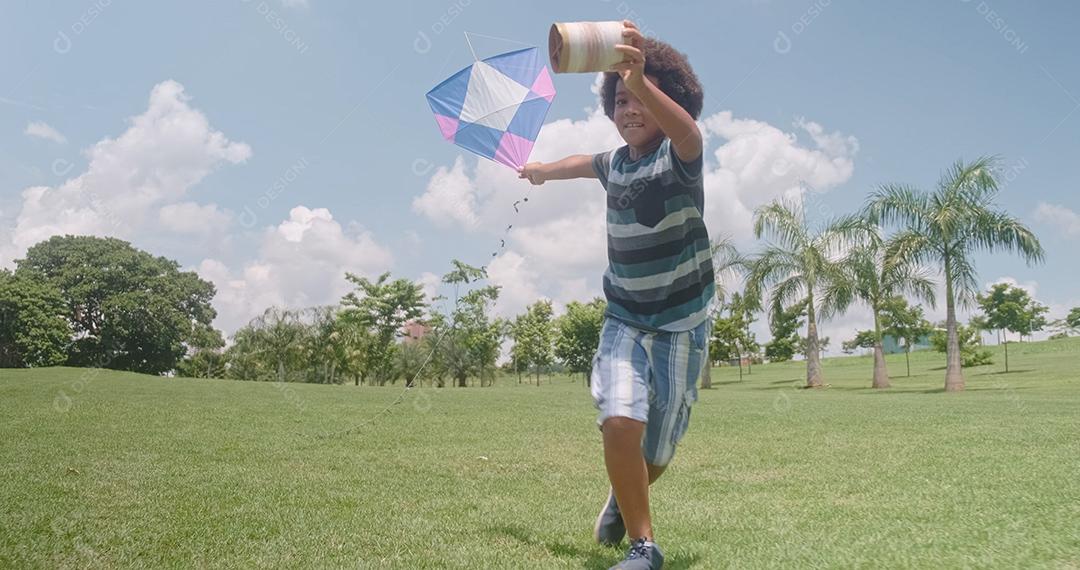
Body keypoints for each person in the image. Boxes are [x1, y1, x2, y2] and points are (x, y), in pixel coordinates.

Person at [518, 20, 712, 570]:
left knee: (658, 451)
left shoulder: (679, 157)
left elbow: (690, 135)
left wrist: (640, 74)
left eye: (643, 98)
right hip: (624, 317)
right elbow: (580, 162)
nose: (630, 108)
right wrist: (540, 173)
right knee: (620, 418)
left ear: (668, 101)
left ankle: (621, 503)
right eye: (621, 99)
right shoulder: (616, 163)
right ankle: (643, 545)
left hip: (681, 321)